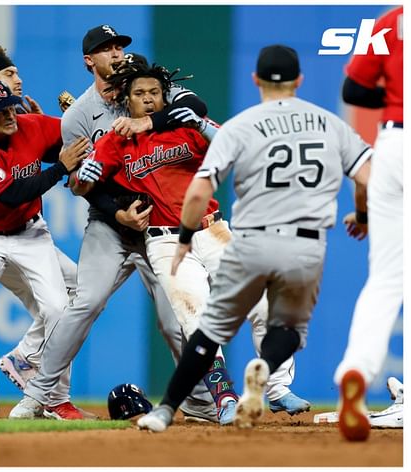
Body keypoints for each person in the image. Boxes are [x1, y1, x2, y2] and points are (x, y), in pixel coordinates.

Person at [136, 44, 372, 433]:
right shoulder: (330, 123)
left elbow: (198, 192)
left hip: (251, 241)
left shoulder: (243, 125)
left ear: (255, 79)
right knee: (286, 329)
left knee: (209, 330)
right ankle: (265, 372)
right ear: (299, 79)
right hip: (306, 245)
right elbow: (367, 178)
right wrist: (361, 215)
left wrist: (181, 242)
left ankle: (165, 410)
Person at [9, 24, 227, 424]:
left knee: (174, 317)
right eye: (106, 49)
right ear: (89, 61)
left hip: (160, 224)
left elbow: (194, 106)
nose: (116, 53)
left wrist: (151, 120)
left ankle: (199, 405)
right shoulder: (77, 116)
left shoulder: (150, 91)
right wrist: (117, 213)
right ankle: (37, 395)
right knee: (84, 303)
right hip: (111, 223)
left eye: (119, 46)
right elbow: (80, 185)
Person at [75, 60, 307, 421]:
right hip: (165, 243)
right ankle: (225, 398)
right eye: (139, 94)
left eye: (154, 92)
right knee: (195, 319)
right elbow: (85, 185)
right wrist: (84, 176)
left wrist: (198, 122)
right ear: (126, 100)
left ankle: (276, 389)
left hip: (213, 231)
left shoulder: (184, 124)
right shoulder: (115, 140)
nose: (149, 99)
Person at [0, 79, 91, 418]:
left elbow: (73, 140)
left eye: (9, 106)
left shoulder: (29, 125)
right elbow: (12, 193)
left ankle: (32, 369)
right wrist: (61, 167)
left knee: (64, 306)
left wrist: (85, 119)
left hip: (31, 235)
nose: (8, 115)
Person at [333, 5, 403, 441]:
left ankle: (356, 369)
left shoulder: (392, 19)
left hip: (394, 144)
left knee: (386, 280)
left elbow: (354, 89)